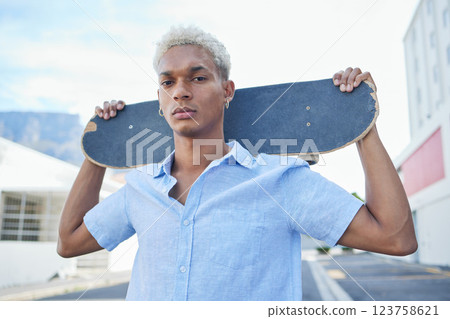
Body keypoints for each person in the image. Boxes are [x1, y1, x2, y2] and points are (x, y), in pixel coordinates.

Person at [57, 25, 417, 300]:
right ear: (160, 100)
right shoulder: (141, 187)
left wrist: (362, 123)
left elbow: (395, 237)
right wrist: (99, 147)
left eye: (198, 78)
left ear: (227, 91)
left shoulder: (280, 180)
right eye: (168, 82)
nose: (180, 90)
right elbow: (69, 243)